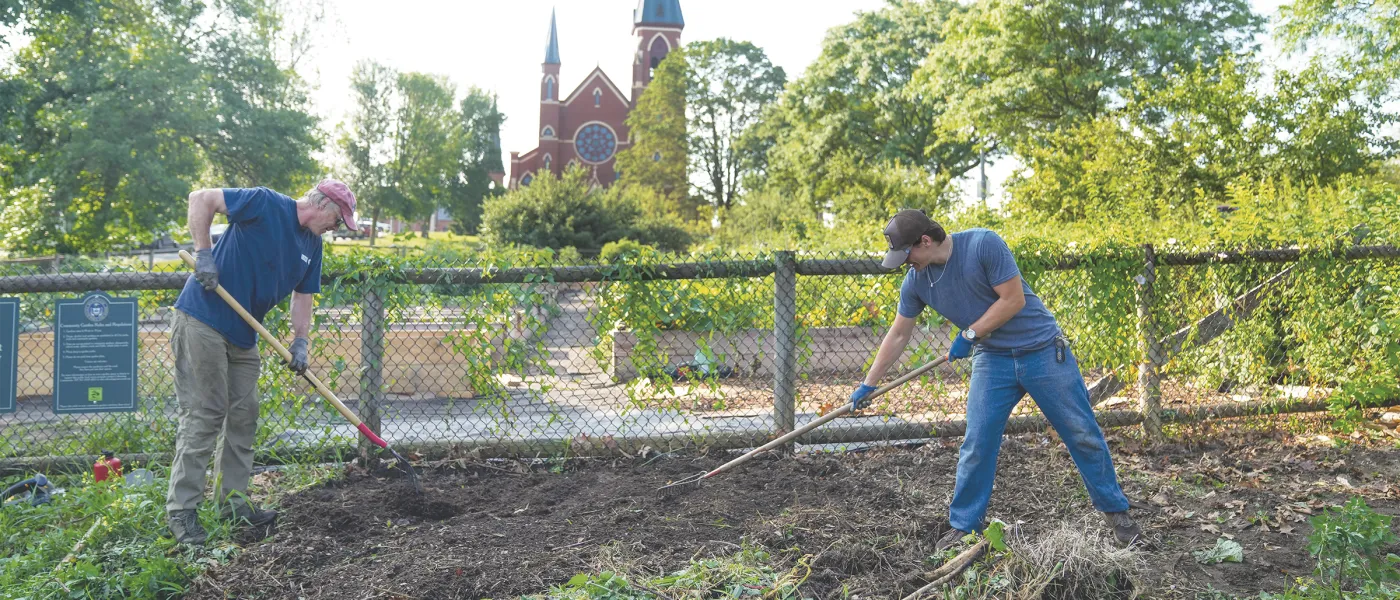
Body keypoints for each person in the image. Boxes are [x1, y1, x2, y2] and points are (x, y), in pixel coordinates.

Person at [850, 209, 1144, 549]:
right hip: (993, 359)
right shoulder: (916, 281)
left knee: (1081, 432)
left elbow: (1013, 299)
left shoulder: (982, 245)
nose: (905, 264)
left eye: (907, 255)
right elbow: (899, 334)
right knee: (977, 441)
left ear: (925, 241)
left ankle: (1116, 512)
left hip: (1043, 350)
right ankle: (965, 525)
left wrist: (971, 333)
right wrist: (869, 384)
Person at [165, 180, 358, 545]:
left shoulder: (312, 246)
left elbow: (303, 296)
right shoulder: (266, 203)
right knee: (206, 413)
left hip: (244, 334)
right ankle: (182, 512)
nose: (337, 228)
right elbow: (200, 199)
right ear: (321, 203)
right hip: (202, 319)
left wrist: (300, 342)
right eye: (337, 219)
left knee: (244, 415)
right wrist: (203, 253)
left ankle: (232, 504)